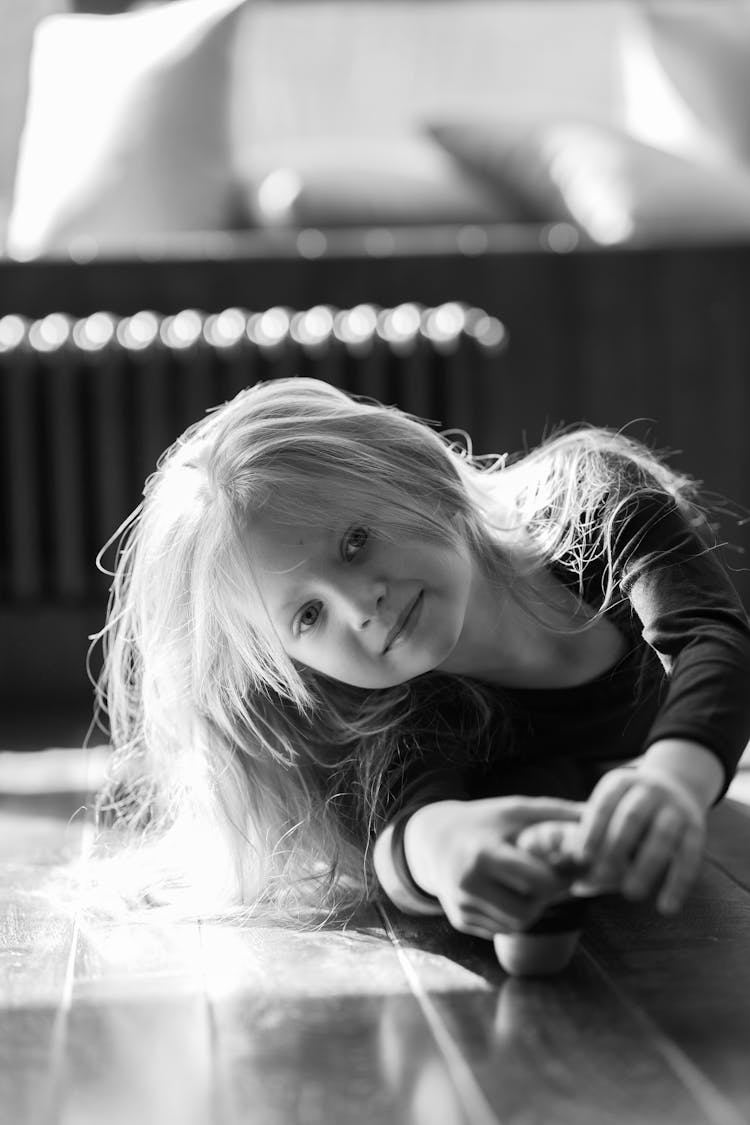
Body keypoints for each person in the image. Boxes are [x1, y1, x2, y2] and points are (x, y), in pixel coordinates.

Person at [94, 376, 750, 955]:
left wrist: (672, 778)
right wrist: (452, 855)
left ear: (417, 475)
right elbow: (411, 831)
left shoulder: (591, 498)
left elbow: (711, 637)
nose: (360, 606)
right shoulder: (409, 718)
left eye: (355, 541)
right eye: (308, 616)